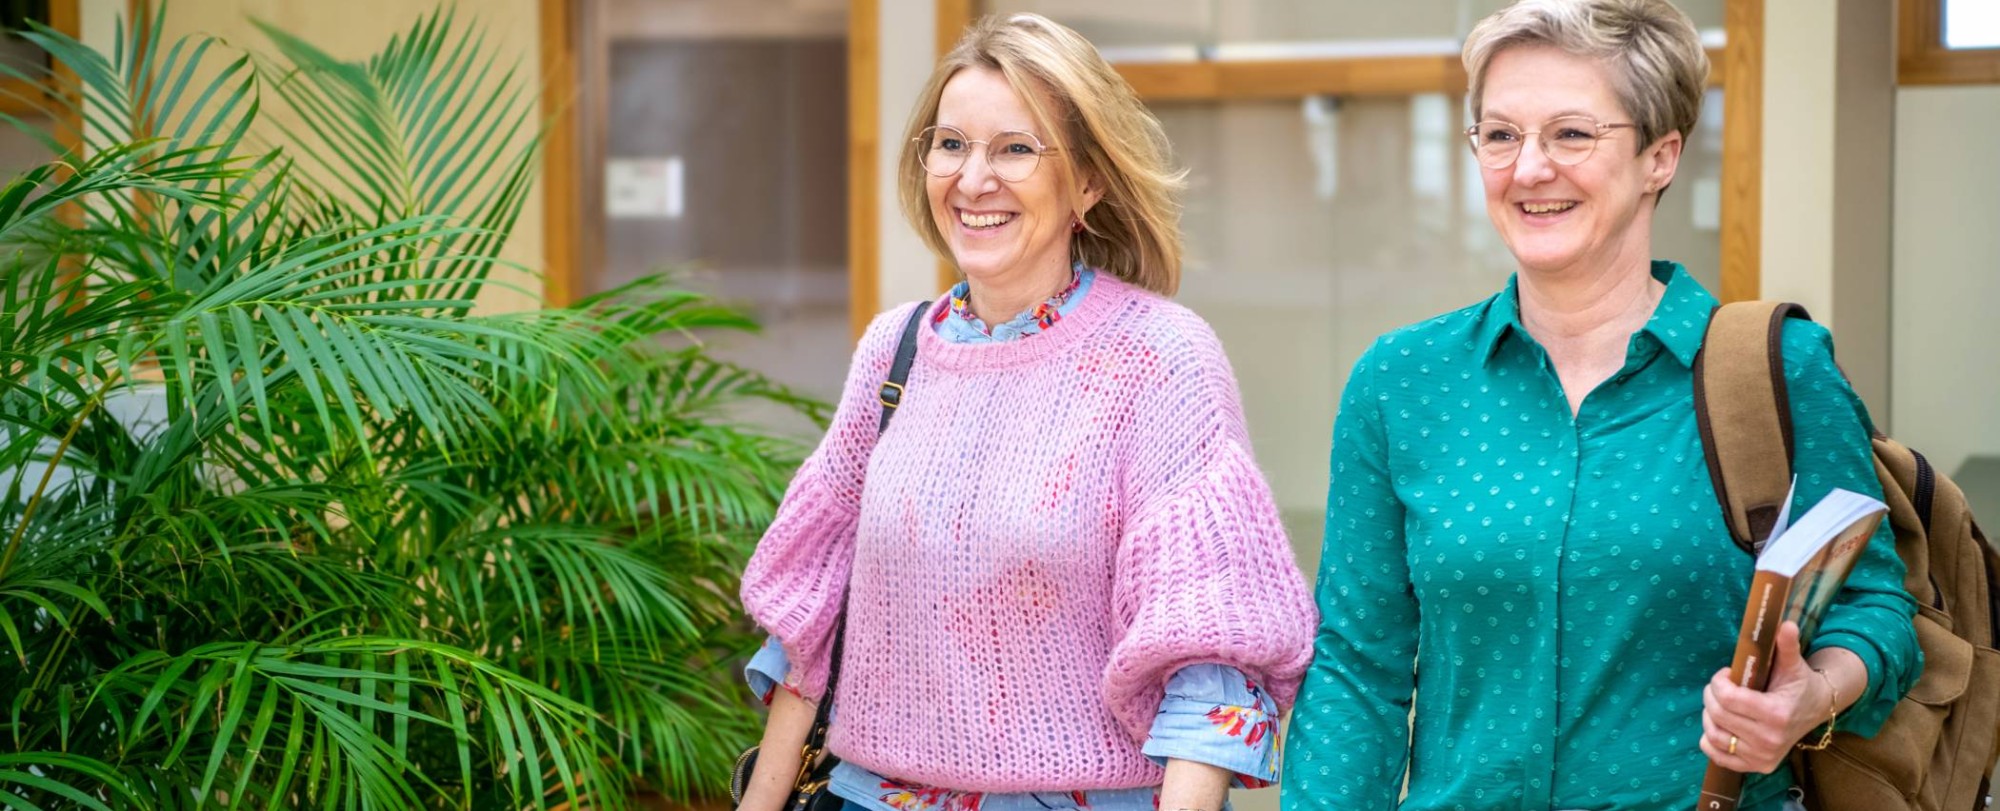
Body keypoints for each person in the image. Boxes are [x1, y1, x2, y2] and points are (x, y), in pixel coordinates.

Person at [1278, 2, 1920, 810]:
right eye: (1501, 135)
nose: (1530, 168)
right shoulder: (1402, 380)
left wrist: (1808, 698)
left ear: (1661, 155)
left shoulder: (1776, 369)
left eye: (1572, 134)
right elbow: (1356, 670)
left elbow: (1873, 606)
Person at [736, 13, 1317, 811]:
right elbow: (810, 623)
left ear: (1087, 180)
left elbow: (1209, 660)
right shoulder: (892, 350)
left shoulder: (1160, 358)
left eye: (1015, 148)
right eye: (950, 145)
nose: (974, 179)